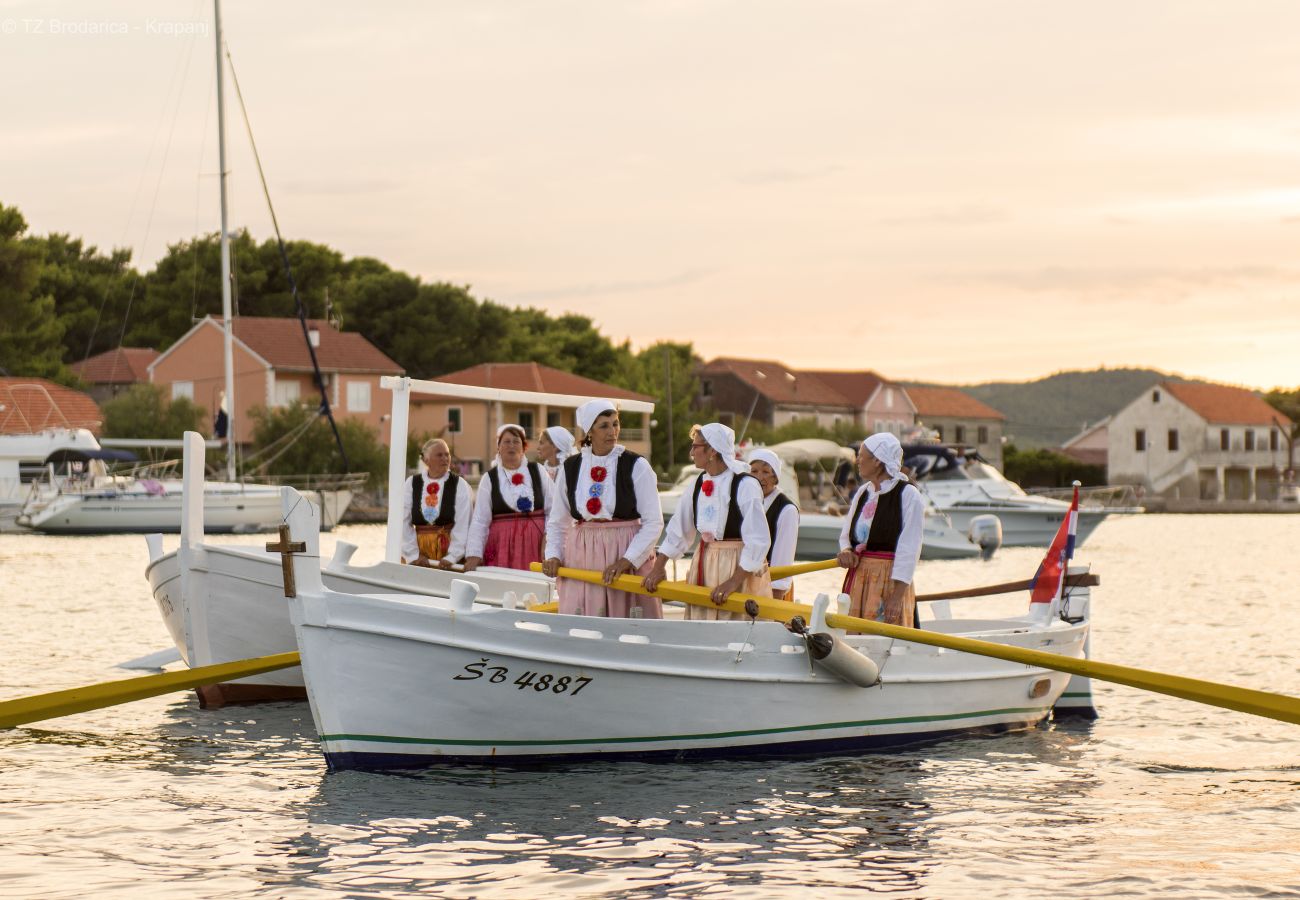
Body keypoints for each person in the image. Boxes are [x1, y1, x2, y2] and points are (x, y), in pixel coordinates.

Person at [542, 399, 664, 617]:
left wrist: (628, 560)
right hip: (582, 554)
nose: (612, 431)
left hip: (625, 549)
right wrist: (553, 555)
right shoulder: (570, 468)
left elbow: (654, 522)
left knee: (625, 618)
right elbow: (558, 521)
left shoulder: (636, 465)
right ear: (590, 431)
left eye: (615, 424)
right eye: (604, 426)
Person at [643, 422, 771, 620]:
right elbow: (679, 529)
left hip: (738, 566)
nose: (692, 452)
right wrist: (658, 568)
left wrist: (732, 582)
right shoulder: (697, 483)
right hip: (705, 561)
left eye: (696, 446)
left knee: (735, 624)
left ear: (712, 450)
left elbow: (758, 540)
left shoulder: (745, 485)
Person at [836, 432, 925, 628]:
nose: (857, 460)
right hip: (860, 577)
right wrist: (846, 551)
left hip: (889, 580)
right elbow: (846, 535)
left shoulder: (908, 495)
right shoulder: (863, 492)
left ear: (877, 460)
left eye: (861, 455)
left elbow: (910, 548)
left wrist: (897, 596)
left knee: (884, 637)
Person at [464, 424, 553, 572]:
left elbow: (553, 510)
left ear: (524, 447)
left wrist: (549, 540)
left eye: (516, 441)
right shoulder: (489, 478)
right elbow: (480, 520)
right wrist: (474, 554)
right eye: (506, 441)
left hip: (535, 545)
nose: (511, 445)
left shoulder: (538, 471)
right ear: (498, 447)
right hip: (502, 548)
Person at [400, 437, 472, 567]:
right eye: (439, 455)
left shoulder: (460, 485)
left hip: (449, 550)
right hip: (418, 552)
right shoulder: (411, 483)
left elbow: (464, 523)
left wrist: (453, 556)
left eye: (447, 454)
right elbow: (402, 521)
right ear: (426, 460)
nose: (445, 458)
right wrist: (414, 555)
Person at [749, 448, 799, 600]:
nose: (759, 477)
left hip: (771, 589)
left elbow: (784, 558)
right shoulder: (749, 502)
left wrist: (775, 598)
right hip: (747, 583)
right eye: (754, 471)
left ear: (776, 477)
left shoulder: (786, 510)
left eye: (766, 472)